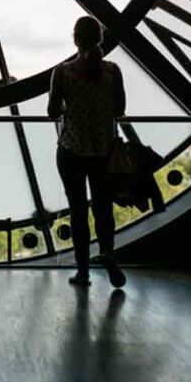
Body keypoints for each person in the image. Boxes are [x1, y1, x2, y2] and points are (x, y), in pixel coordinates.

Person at [48, 15, 126, 289]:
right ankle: (108, 253)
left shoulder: (63, 72)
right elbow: (119, 110)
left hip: (72, 150)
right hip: (104, 151)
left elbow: (52, 112)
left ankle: (83, 272)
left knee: (78, 212)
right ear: (100, 38)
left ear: (75, 39)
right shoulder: (113, 71)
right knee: (103, 209)